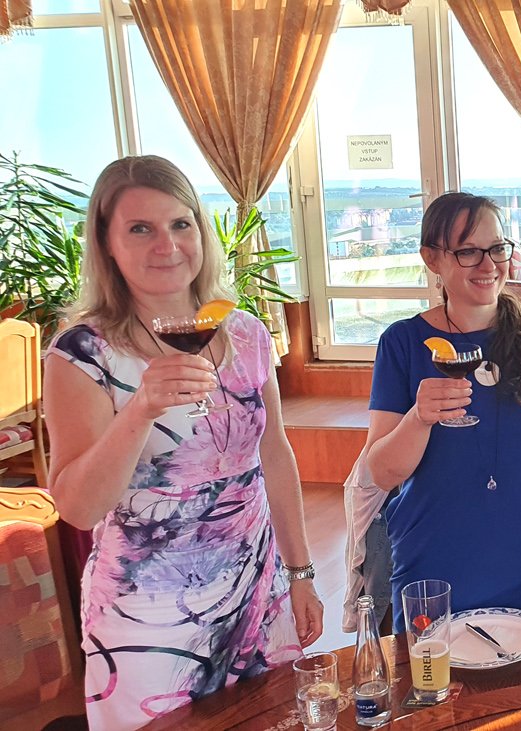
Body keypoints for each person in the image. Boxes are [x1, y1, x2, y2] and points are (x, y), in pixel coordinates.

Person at [43, 156, 323, 730]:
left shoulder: (244, 332)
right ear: (106, 245)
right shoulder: (82, 354)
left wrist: (300, 574)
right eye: (139, 228)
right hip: (150, 615)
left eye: (180, 223)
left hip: (257, 591)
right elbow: (77, 507)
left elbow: (273, 454)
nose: (166, 245)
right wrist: (141, 408)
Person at [364, 191, 521, 627]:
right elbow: (382, 473)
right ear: (432, 259)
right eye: (468, 252)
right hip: (436, 573)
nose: (488, 265)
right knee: (437, 674)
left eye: (497, 248)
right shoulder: (402, 343)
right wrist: (419, 418)